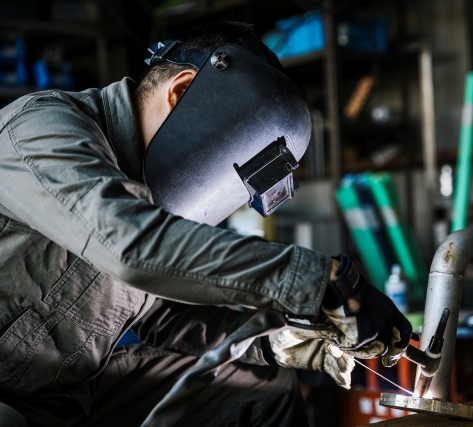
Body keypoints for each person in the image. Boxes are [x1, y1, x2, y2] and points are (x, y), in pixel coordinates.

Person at [0, 22, 411, 427]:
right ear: (179, 93)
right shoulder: (42, 129)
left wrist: (273, 343)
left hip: (66, 400)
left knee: (261, 382)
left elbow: (166, 318)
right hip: (10, 400)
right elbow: (130, 247)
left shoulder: (148, 191)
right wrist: (317, 280)